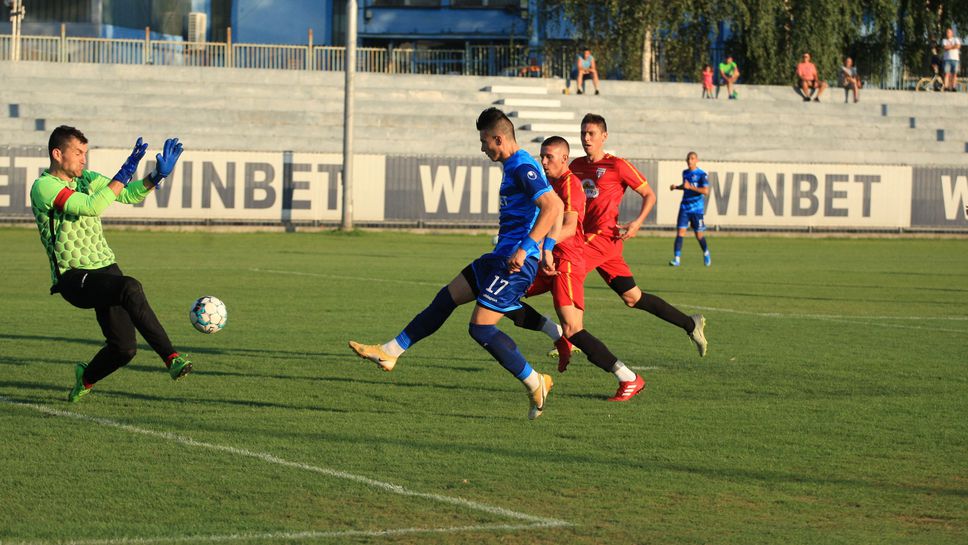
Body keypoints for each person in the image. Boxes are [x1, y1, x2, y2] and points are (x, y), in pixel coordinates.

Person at [349, 107, 564, 420]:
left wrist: (529, 248)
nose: (482, 147)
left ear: (499, 139)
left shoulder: (521, 165)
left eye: (484, 141)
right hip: (499, 258)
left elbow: (553, 206)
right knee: (446, 297)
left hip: (517, 263)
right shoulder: (513, 164)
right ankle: (390, 351)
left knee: (480, 329)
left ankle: (536, 381)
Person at [29, 126, 190, 402]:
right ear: (57, 154)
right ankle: (171, 357)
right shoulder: (44, 187)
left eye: (85, 153)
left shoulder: (87, 178)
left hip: (105, 269)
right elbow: (91, 206)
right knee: (130, 287)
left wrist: (156, 176)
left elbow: (127, 195)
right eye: (78, 153)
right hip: (73, 277)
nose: (83, 159)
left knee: (124, 349)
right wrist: (125, 170)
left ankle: (86, 378)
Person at [569, 113, 708, 357]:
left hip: (605, 237)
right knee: (633, 297)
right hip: (587, 237)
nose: (586, 138)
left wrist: (637, 223)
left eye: (591, 133)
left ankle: (571, 335)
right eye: (583, 133)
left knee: (571, 268)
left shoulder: (617, 165)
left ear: (604, 136)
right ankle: (690, 324)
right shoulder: (576, 166)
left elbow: (649, 195)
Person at [520, 136, 645, 401]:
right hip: (550, 259)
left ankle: (629, 378)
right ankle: (556, 335)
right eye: (541, 156)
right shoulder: (549, 182)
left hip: (566, 261)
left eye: (548, 157)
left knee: (574, 329)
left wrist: (542, 245)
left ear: (564, 159)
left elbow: (568, 226)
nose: (543, 162)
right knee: (504, 295)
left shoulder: (570, 185)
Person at [669, 151, 711, 267]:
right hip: (684, 207)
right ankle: (677, 259)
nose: (689, 160)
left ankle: (706, 252)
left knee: (699, 235)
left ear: (697, 160)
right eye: (688, 158)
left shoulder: (702, 174)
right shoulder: (685, 173)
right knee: (680, 232)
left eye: (692, 158)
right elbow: (685, 186)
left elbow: (705, 191)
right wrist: (677, 187)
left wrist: (691, 187)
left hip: (697, 210)